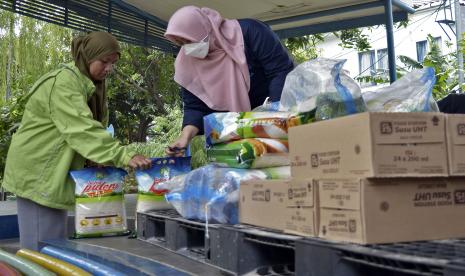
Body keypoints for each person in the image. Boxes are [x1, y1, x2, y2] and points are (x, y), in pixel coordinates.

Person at [2, 31, 152, 250]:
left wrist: (96, 158)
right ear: (88, 56)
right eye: (104, 61)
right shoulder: (65, 84)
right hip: (38, 171)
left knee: (52, 244)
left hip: (51, 171)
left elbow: (95, 127)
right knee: (41, 249)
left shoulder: (91, 86)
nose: (109, 68)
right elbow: (83, 130)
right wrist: (123, 155)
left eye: (113, 63)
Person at [164, 6, 294, 156]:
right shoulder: (186, 63)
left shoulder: (250, 32)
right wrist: (184, 137)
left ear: (204, 29)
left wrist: (274, 114)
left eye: (189, 40)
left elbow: (280, 70)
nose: (188, 48)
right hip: (234, 132)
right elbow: (195, 106)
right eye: (181, 43)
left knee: (283, 159)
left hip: (276, 117)